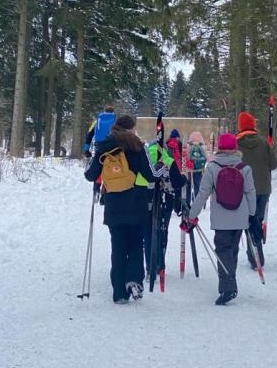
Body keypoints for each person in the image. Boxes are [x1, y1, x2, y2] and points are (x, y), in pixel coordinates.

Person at [84, 115, 165, 304]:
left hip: (114, 204)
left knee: (118, 246)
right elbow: (151, 176)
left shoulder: (104, 146)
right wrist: (161, 167)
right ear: (132, 128)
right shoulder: (138, 146)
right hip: (137, 202)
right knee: (136, 243)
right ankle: (134, 279)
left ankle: (119, 293)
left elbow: (90, 175)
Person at [185, 133, 256, 305]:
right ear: (235, 149)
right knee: (232, 250)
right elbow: (250, 192)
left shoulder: (213, 167)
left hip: (221, 218)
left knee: (223, 250)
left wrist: (191, 216)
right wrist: (252, 215)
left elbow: (203, 194)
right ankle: (230, 282)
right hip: (240, 218)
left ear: (220, 148)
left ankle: (228, 287)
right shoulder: (244, 168)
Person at [236, 111, 277, 269]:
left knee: (248, 221)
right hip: (263, 188)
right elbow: (273, 164)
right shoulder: (263, 142)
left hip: (244, 189)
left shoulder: (235, 144)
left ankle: (254, 255)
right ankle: (255, 254)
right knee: (257, 220)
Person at [142, 138, 186, 279]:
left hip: (146, 200)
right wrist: (184, 178)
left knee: (148, 233)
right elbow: (177, 182)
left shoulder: (145, 159)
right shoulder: (168, 160)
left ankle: (149, 266)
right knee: (161, 232)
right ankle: (159, 265)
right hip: (165, 201)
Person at [186, 130, 207, 202]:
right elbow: (205, 157)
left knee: (188, 185)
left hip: (190, 168)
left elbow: (187, 157)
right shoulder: (202, 147)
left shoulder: (189, 146)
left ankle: (188, 200)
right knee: (197, 184)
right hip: (199, 168)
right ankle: (197, 200)